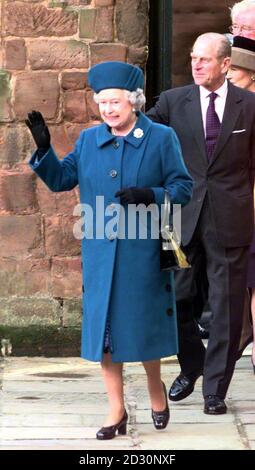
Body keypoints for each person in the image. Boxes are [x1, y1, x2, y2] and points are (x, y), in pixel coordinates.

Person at [26, 61, 193, 439]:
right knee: (106, 337)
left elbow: (184, 188)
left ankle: (155, 388)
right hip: (101, 254)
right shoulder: (88, 140)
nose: (108, 110)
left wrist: (151, 195)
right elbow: (60, 180)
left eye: (114, 102)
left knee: (143, 329)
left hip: (144, 251)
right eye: (102, 103)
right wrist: (44, 150)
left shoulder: (161, 138)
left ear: (133, 101)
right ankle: (115, 410)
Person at [147, 32, 255, 414]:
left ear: (226, 65)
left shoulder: (251, 106)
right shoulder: (173, 102)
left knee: (226, 308)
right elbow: (140, 136)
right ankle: (192, 364)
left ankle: (215, 389)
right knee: (173, 300)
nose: (196, 65)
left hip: (231, 218)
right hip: (179, 218)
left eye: (205, 59)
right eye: (193, 58)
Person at [227, 35, 255, 371]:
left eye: (236, 68)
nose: (230, 73)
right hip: (236, 200)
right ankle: (243, 333)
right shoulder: (230, 105)